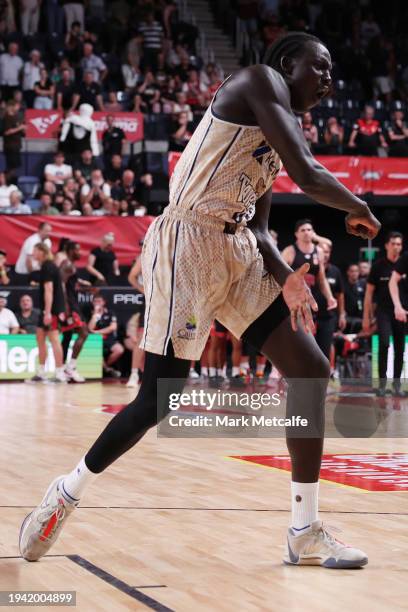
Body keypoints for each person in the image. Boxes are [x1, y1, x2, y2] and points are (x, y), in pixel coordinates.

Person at [19, 32, 381, 568]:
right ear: (287, 62)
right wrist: (359, 207)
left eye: (332, 73)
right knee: (159, 399)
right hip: (188, 242)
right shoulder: (258, 80)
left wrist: (285, 275)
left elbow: (258, 228)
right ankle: (63, 494)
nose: (328, 80)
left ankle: (304, 531)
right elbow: (309, 173)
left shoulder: (283, 128)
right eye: (319, 67)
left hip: (237, 249)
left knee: (309, 368)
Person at [363, 232, 406, 397]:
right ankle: (381, 384)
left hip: (402, 312)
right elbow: (368, 293)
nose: (396, 247)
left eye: (399, 244)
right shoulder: (378, 266)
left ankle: (396, 385)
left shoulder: (404, 265)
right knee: (384, 344)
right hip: (384, 312)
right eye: (394, 243)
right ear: (387, 245)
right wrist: (366, 317)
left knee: (400, 348)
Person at [25, 243, 66, 384]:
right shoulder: (46, 266)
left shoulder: (48, 266)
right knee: (40, 337)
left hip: (51, 310)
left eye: (35, 250)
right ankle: (41, 372)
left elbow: (49, 290)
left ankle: (60, 373)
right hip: (47, 310)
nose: (33, 253)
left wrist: (48, 313)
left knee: (54, 339)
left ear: (42, 252)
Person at [281, 220, 337, 314]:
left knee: (310, 327)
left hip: (311, 298)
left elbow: (322, 279)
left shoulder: (319, 251)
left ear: (313, 232)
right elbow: (279, 275)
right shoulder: (289, 251)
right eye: (303, 230)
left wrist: (330, 297)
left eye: (309, 229)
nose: (306, 232)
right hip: (293, 299)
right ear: (296, 234)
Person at [59, 241, 90, 383]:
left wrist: (83, 286)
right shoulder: (67, 265)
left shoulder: (70, 265)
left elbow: (70, 285)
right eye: (77, 250)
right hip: (70, 306)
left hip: (71, 304)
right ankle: (70, 367)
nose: (80, 253)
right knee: (84, 332)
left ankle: (63, 369)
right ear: (70, 251)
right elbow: (61, 286)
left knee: (67, 337)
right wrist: (66, 308)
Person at [313, 242, 345, 367]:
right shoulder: (309, 268)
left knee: (325, 348)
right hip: (310, 316)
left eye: (327, 252)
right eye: (321, 251)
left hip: (328, 316)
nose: (324, 254)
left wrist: (342, 314)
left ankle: (325, 377)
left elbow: (340, 294)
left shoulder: (335, 271)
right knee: (307, 349)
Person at [88, 293, 124, 377]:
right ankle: (107, 369)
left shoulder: (110, 313)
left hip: (108, 338)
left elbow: (113, 327)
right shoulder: (90, 313)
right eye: (95, 301)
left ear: (103, 302)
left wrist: (98, 332)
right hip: (94, 340)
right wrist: (95, 315)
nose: (97, 303)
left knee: (119, 350)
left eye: (99, 301)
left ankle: (105, 367)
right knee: (96, 351)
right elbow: (90, 328)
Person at [125, 252, 145, 388]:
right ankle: (134, 374)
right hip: (150, 301)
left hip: (168, 301)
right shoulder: (145, 255)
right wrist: (143, 289)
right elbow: (132, 276)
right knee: (142, 338)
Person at [3, 101, 26, 178]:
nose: (18, 108)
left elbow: (20, 130)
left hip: (17, 145)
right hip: (10, 146)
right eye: (17, 106)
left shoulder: (16, 117)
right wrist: (19, 128)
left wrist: (23, 129)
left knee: (15, 166)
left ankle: (11, 181)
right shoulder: (6, 118)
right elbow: (7, 132)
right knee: (10, 167)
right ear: (12, 106)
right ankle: (6, 182)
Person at [343, 263, 365, 333]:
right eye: (352, 271)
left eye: (356, 271)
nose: (354, 273)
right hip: (347, 317)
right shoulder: (343, 286)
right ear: (348, 272)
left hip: (360, 317)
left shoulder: (363, 285)